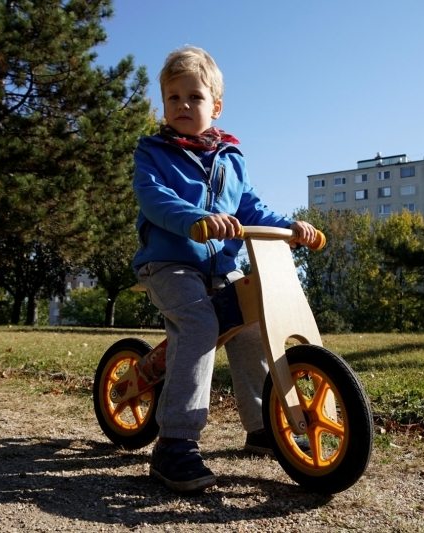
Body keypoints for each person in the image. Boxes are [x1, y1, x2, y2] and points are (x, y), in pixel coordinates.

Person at [132, 46, 318, 493]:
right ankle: (174, 442)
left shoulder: (231, 157)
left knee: (253, 322)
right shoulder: (153, 151)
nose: (181, 105)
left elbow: (251, 206)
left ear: (214, 106)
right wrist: (194, 221)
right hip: (169, 263)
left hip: (221, 267)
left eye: (193, 97)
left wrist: (290, 227)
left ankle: (260, 426)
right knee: (198, 322)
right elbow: (155, 199)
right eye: (172, 97)